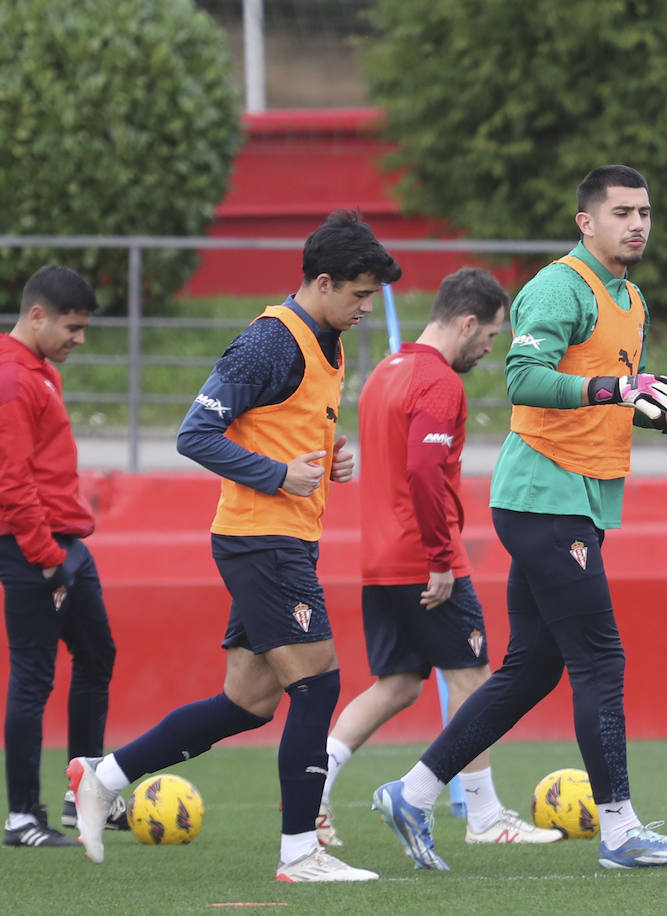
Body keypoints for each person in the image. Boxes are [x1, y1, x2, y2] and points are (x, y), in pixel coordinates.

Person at [370, 164, 667, 873]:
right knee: (602, 658)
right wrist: (620, 385)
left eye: (645, 211)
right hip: (542, 498)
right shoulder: (558, 286)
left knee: (531, 669)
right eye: (622, 212)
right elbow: (525, 380)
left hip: (574, 499)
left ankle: (413, 790)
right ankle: (619, 832)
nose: (638, 224)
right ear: (586, 222)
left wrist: (660, 416)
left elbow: (598, 399)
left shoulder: (632, 299)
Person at [68, 210, 400, 881]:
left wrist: (329, 459)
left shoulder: (325, 341)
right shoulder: (269, 343)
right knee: (319, 684)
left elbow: (279, 427)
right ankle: (299, 853)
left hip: (285, 541)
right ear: (325, 282)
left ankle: (104, 774)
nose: (368, 307)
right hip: (261, 541)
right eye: (361, 294)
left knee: (248, 703)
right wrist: (281, 475)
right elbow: (195, 434)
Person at [316, 267, 560, 847]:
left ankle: (313, 793)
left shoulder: (385, 373)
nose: (489, 349)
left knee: (397, 684)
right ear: (469, 322)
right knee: (476, 680)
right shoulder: (439, 382)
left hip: (378, 559)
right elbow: (424, 471)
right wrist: (441, 556)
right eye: (492, 337)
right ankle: (484, 817)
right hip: (423, 559)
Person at [1, 266, 121, 848]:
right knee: (33, 675)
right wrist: (47, 558)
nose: (80, 339)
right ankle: (22, 816)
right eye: (72, 328)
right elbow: (12, 482)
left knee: (97, 654)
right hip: (36, 549)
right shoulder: (13, 379)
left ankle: (84, 794)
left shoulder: (42, 371)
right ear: (38, 315)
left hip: (66, 544)